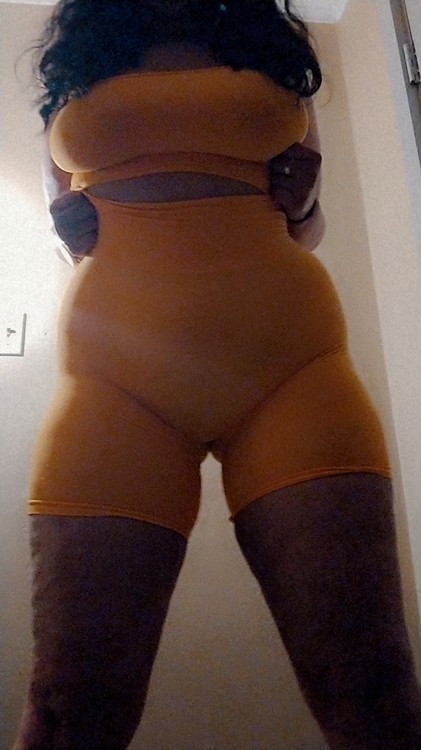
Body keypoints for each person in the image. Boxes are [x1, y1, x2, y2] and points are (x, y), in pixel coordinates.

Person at [13, 1, 421, 749]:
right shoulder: (78, 66)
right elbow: (69, 223)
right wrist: (66, 228)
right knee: (69, 707)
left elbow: (306, 227)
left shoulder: (270, 56)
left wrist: (305, 200)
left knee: (372, 688)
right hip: (114, 379)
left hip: (288, 367)